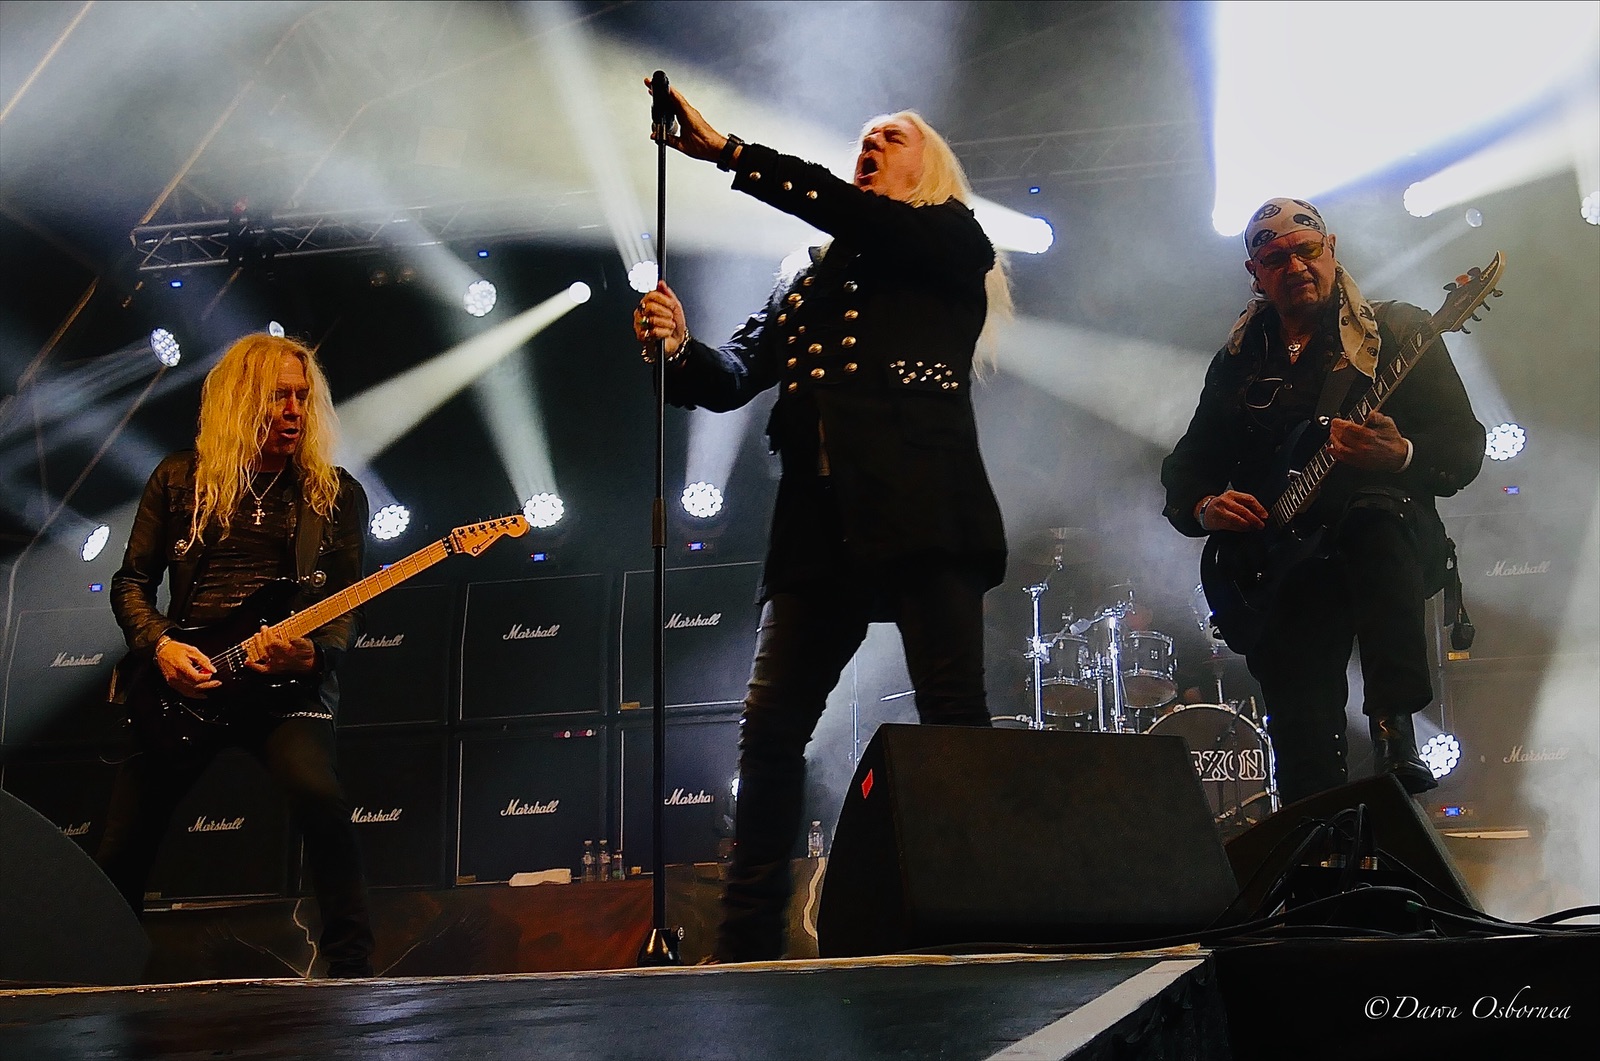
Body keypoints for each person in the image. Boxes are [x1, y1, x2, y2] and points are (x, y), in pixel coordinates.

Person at [633, 83, 1009, 961]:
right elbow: (734, 374)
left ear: (929, 167)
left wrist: (731, 152)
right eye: (864, 135)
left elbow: (857, 215)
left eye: (893, 136)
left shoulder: (951, 235)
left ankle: (980, 918)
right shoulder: (808, 274)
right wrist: (677, 350)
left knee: (954, 718)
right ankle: (746, 940)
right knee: (768, 730)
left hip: (923, 503)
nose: (871, 143)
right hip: (816, 523)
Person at [1161, 198, 1485, 806]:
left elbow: (1465, 445)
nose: (1295, 267)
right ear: (1255, 273)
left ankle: (1394, 728)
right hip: (1276, 567)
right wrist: (1206, 505)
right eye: (1275, 259)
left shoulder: (1399, 331)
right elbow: (1187, 463)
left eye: (1307, 251)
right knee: (1304, 749)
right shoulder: (1238, 360)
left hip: (1380, 546)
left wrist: (1401, 454)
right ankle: (1310, 836)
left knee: (1372, 511)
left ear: (1330, 249)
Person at [98, 333, 375, 977]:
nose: (294, 411)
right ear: (239, 402)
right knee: (123, 844)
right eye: (278, 396)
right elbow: (131, 582)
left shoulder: (334, 494)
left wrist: (310, 658)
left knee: (319, 797)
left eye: (302, 397)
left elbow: (345, 605)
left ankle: (352, 967)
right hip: (186, 681)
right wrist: (162, 645)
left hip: (281, 687)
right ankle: (99, 970)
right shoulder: (179, 479)